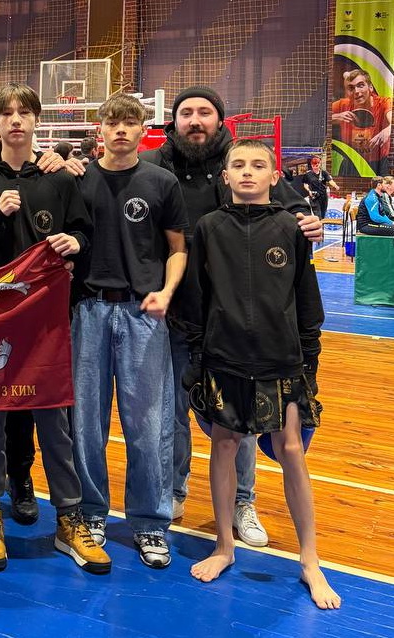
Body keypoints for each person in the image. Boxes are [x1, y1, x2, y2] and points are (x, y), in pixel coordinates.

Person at [140, 85, 322, 547]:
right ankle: (175, 489)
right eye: (186, 113)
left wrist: (306, 217)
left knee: (239, 421)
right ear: (174, 121)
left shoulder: (241, 158)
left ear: (219, 121)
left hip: (238, 325)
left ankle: (244, 500)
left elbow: (286, 201)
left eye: (204, 112)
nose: (195, 120)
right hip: (175, 311)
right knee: (173, 413)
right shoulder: (156, 164)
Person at [0, 83, 109, 574]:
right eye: (7, 113)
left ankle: (68, 519)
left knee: (54, 421)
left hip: (45, 322)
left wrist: (75, 243)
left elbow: (84, 234)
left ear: (37, 120)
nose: (16, 120)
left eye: (25, 112)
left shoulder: (57, 178)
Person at [184, 139, 340, 611]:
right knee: (225, 446)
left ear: (274, 176)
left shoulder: (291, 228)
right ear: (225, 177)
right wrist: (199, 356)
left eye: (257, 165)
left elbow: (306, 296)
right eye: (238, 165)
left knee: (291, 450)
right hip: (225, 358)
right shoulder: (209, 227)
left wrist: (309, 359)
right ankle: (224, 546)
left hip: (281, 360)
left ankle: (310, 559)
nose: (247, 172)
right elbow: (197, 297)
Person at [71, 93, 188, 569]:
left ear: (143, 130)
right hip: (88, 310)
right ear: (100, 129)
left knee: (149, 424)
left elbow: (178, 248)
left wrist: (167, 291)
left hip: (143, 313)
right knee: (86, 423)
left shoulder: (161, 182)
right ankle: (90, 513)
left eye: (130, 122)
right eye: (112, 122)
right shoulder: (77, 180)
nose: (121, 129)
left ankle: (150, 522)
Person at [331, 68, 392, 176]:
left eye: (360, 85)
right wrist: (336, 117)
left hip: (379, 163)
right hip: (352, 161)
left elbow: (391, 120)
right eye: (351, 88)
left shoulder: (384, 103)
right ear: (346, 92)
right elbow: (318, 115)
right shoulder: (342, 105)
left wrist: (388, 130)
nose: (356, 91)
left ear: (370, 87)